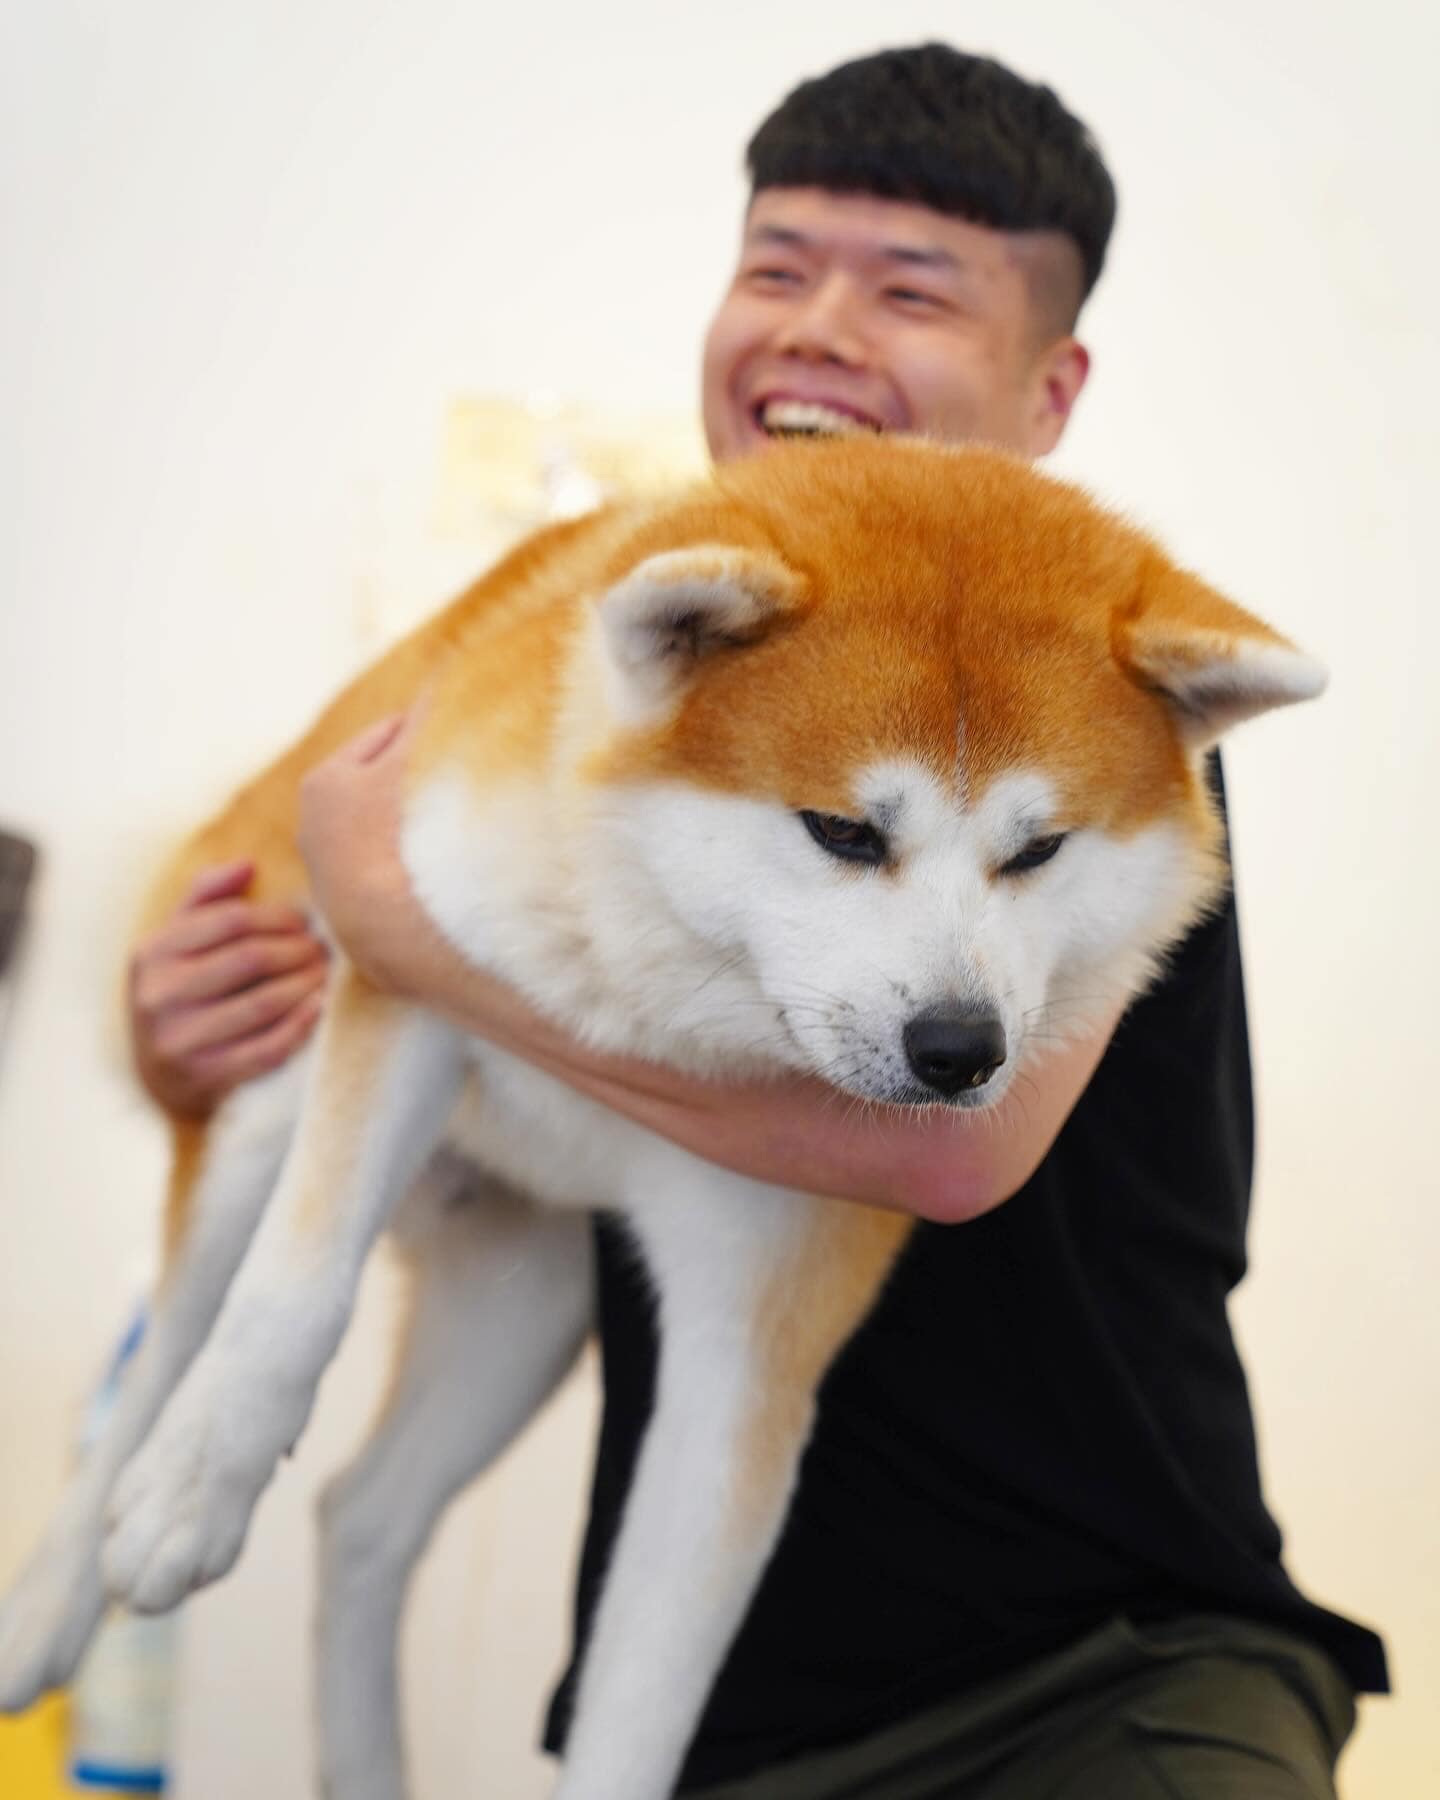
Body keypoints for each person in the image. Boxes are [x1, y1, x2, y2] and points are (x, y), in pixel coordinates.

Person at [128, 43, 1386, 1800]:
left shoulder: (1107, 724)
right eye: (778, 266)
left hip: (1115, 1676)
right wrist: (194, 1030)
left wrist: (407, 941)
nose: (821, 328)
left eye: (914, 290)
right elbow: (365, 934)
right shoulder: (663, 658)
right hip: (723, 1716)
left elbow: (951, 1147)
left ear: (1049, 390)